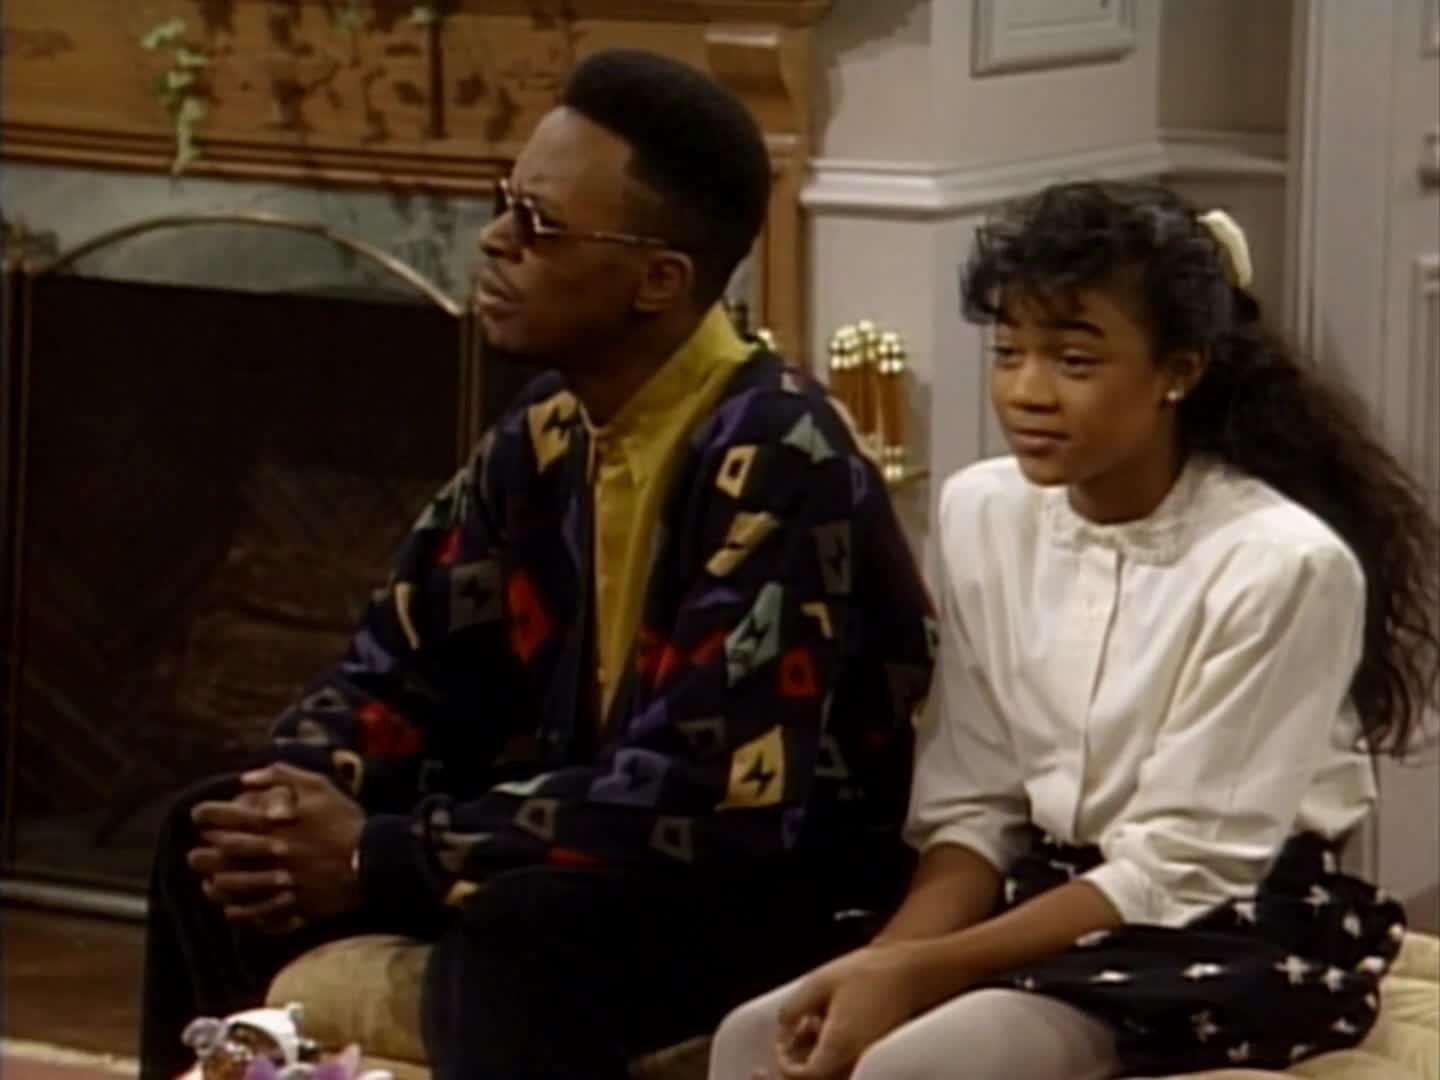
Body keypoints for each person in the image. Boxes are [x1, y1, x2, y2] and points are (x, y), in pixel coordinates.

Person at [139, 49, 934, 1080]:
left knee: (523, 928)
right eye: (504, 202)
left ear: (660, 279)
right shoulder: (546, 432)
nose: (496, 241)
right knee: (207, 842)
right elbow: (397, 667)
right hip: (581, 847)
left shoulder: (783, 456)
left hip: (768, 889)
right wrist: (289, 803)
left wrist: (381, 852)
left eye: (539, 225)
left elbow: (704, 799)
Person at [708, 180, 1440, 1080]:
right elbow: (975, 798)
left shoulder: (1283, 563)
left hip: (1231, 915)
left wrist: (924, 973)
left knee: (917, 1067)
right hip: (1045, 887)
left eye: (1074, 360)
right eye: (1008, 352)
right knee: (753, 1036)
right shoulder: (982, 513)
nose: (1027, 391)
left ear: (1178, 371)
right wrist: (885, 965)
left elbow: (1184, 863)